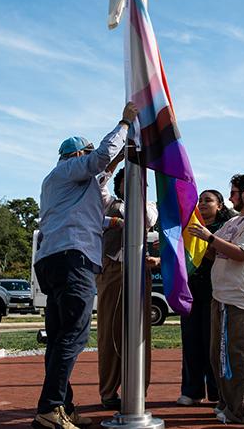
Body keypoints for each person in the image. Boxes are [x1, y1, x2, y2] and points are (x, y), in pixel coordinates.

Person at [31, 102, 138, 429]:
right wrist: (124, 124)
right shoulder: (67, 171)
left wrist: (111, 222)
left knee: (59, 336)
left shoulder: (63, 184)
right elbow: (101, 159)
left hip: (54, 260)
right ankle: (49, 409)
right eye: (87, 153)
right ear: (76, 156)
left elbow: (83, 213)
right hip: (72, 259)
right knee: (73, 337)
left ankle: (64, 406)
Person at [189, 174, 244, 424]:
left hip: (241, 299)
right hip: (221, 297)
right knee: (219, 356)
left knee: (241, 355)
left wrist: (210, 237)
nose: (230, 198)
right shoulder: (234, 222)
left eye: (233, 193)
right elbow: (216, 251)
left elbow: (242, 255)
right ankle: (227, 402)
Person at [96, 168, 159, 410]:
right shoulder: (108, 203)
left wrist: (138, 196)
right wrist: (115, 163)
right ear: (120, 185)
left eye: (139, 182)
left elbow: (147, 218)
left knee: (140, 331)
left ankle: (138, 390)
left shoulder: (149, 206)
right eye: (129, 181)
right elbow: (99, 184)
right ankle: (109, 391)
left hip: (139, 270)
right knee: (109, 328)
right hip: (112, 268)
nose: (134, 185)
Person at [176, 190, 234, 407]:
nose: (201, 203)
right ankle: (192, 391)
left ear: (220, 205)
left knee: (213, 343)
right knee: (190, 341)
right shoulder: (190, 227)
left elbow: (221, 255)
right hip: (191, 291)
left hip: (214, 291)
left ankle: (218, 391)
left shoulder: (227, 228)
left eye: (207, 200)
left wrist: (204, 239)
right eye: (199, 200)